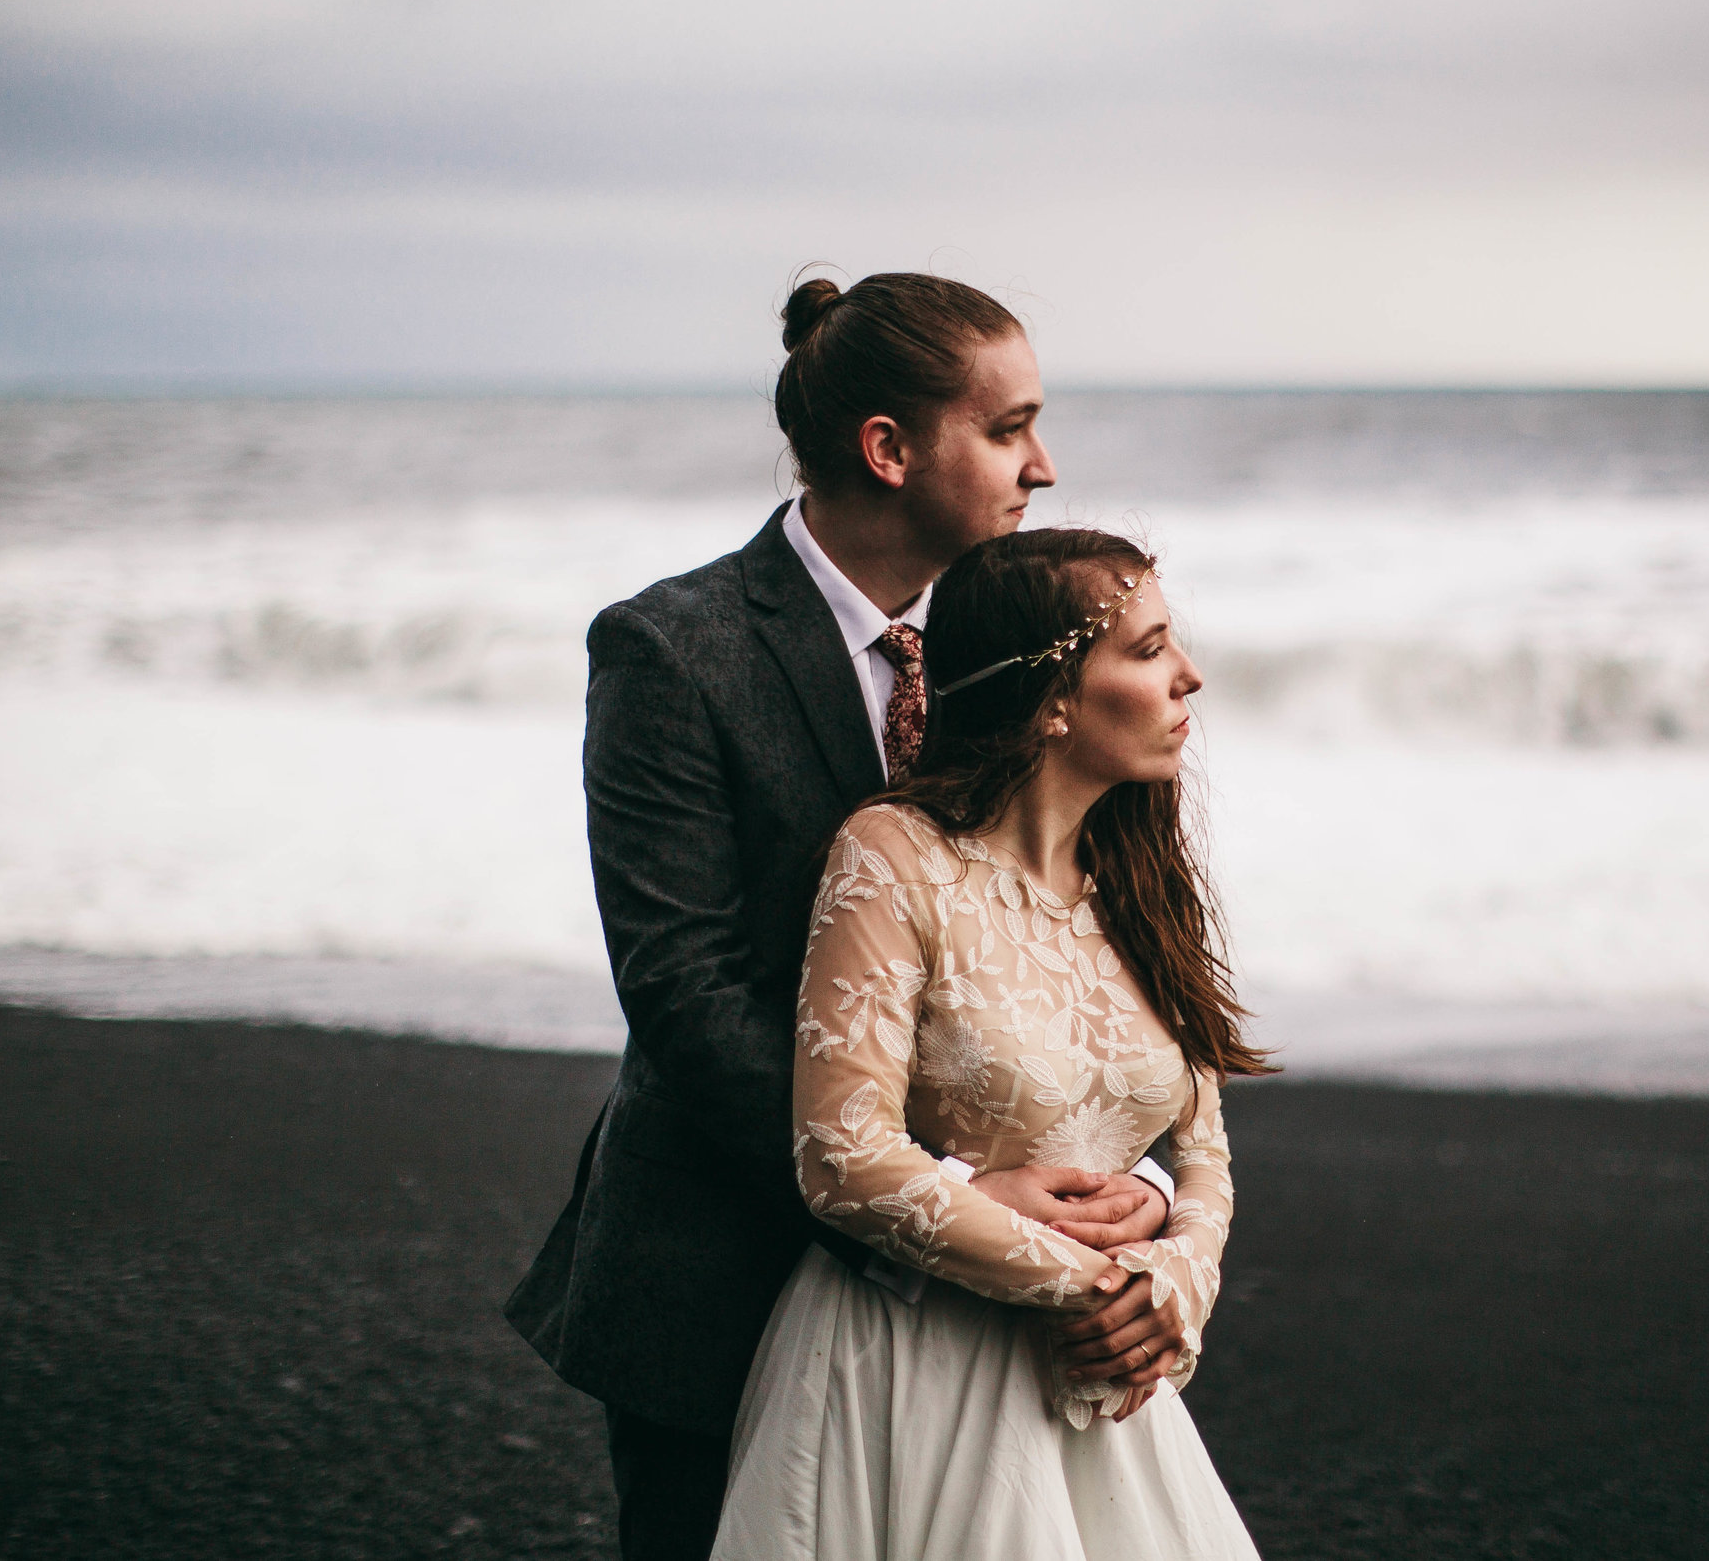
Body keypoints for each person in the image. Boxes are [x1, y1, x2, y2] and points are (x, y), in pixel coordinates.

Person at [504, 274, 1186, 1559]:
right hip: (728, 1263)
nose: (1042, 466)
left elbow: (1101, 938)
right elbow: (683, 983)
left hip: (1010, 1299)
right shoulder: (674, 648)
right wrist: (941, 1195)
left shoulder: (1018, 642)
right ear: (888, 448)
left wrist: (1136, 1189)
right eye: (1006, 428)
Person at [711, 527, 1273, 1560]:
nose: (1188, 674)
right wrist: (1096, 1286)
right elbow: (841, 1156)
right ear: (1053, 695)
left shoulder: (1143, 876)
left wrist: (1176, 1284)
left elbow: (1204, 1149)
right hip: (917, 1365)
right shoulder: (893, 855)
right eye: (1147, 651)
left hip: (1104, 1384)